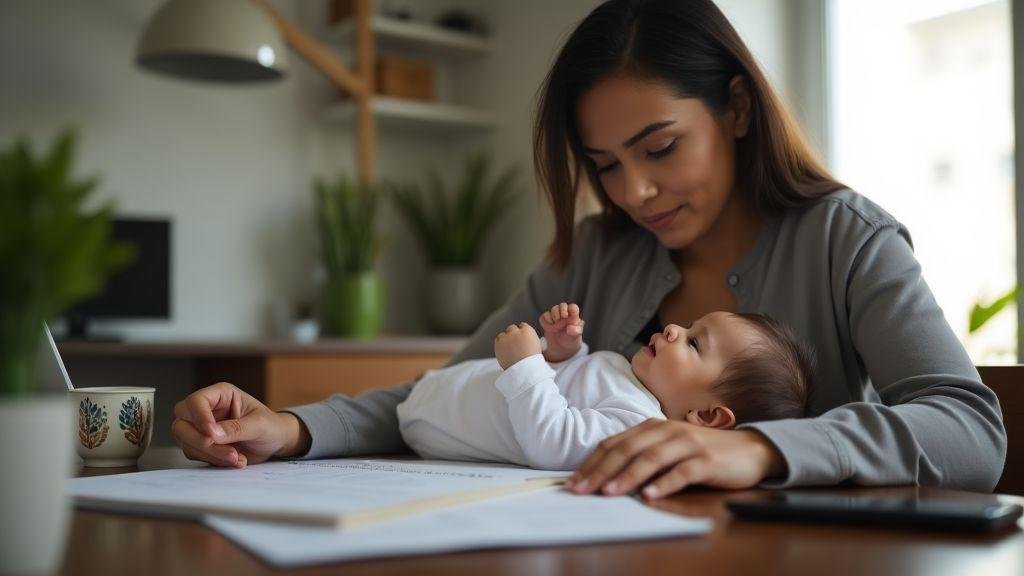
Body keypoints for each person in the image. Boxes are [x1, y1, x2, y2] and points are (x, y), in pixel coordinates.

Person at [170, 0, 1006, 497]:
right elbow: (448, 389)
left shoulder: (847, 239)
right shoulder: (594, 256)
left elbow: (968, 428)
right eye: (604, 165)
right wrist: (290, 428)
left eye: (661, 147)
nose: (633, 192)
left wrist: (755, 445)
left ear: (740, 110)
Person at [398, 303, 815, 471]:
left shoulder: (639, 424)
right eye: (689, 324)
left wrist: (526, 365)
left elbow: (554, 441)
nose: (673, 328)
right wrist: (562, 351)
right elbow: (569, 388)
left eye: (693, 343)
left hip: (437, 424)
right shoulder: (630, 374)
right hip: (441, 390)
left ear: (705, 415)